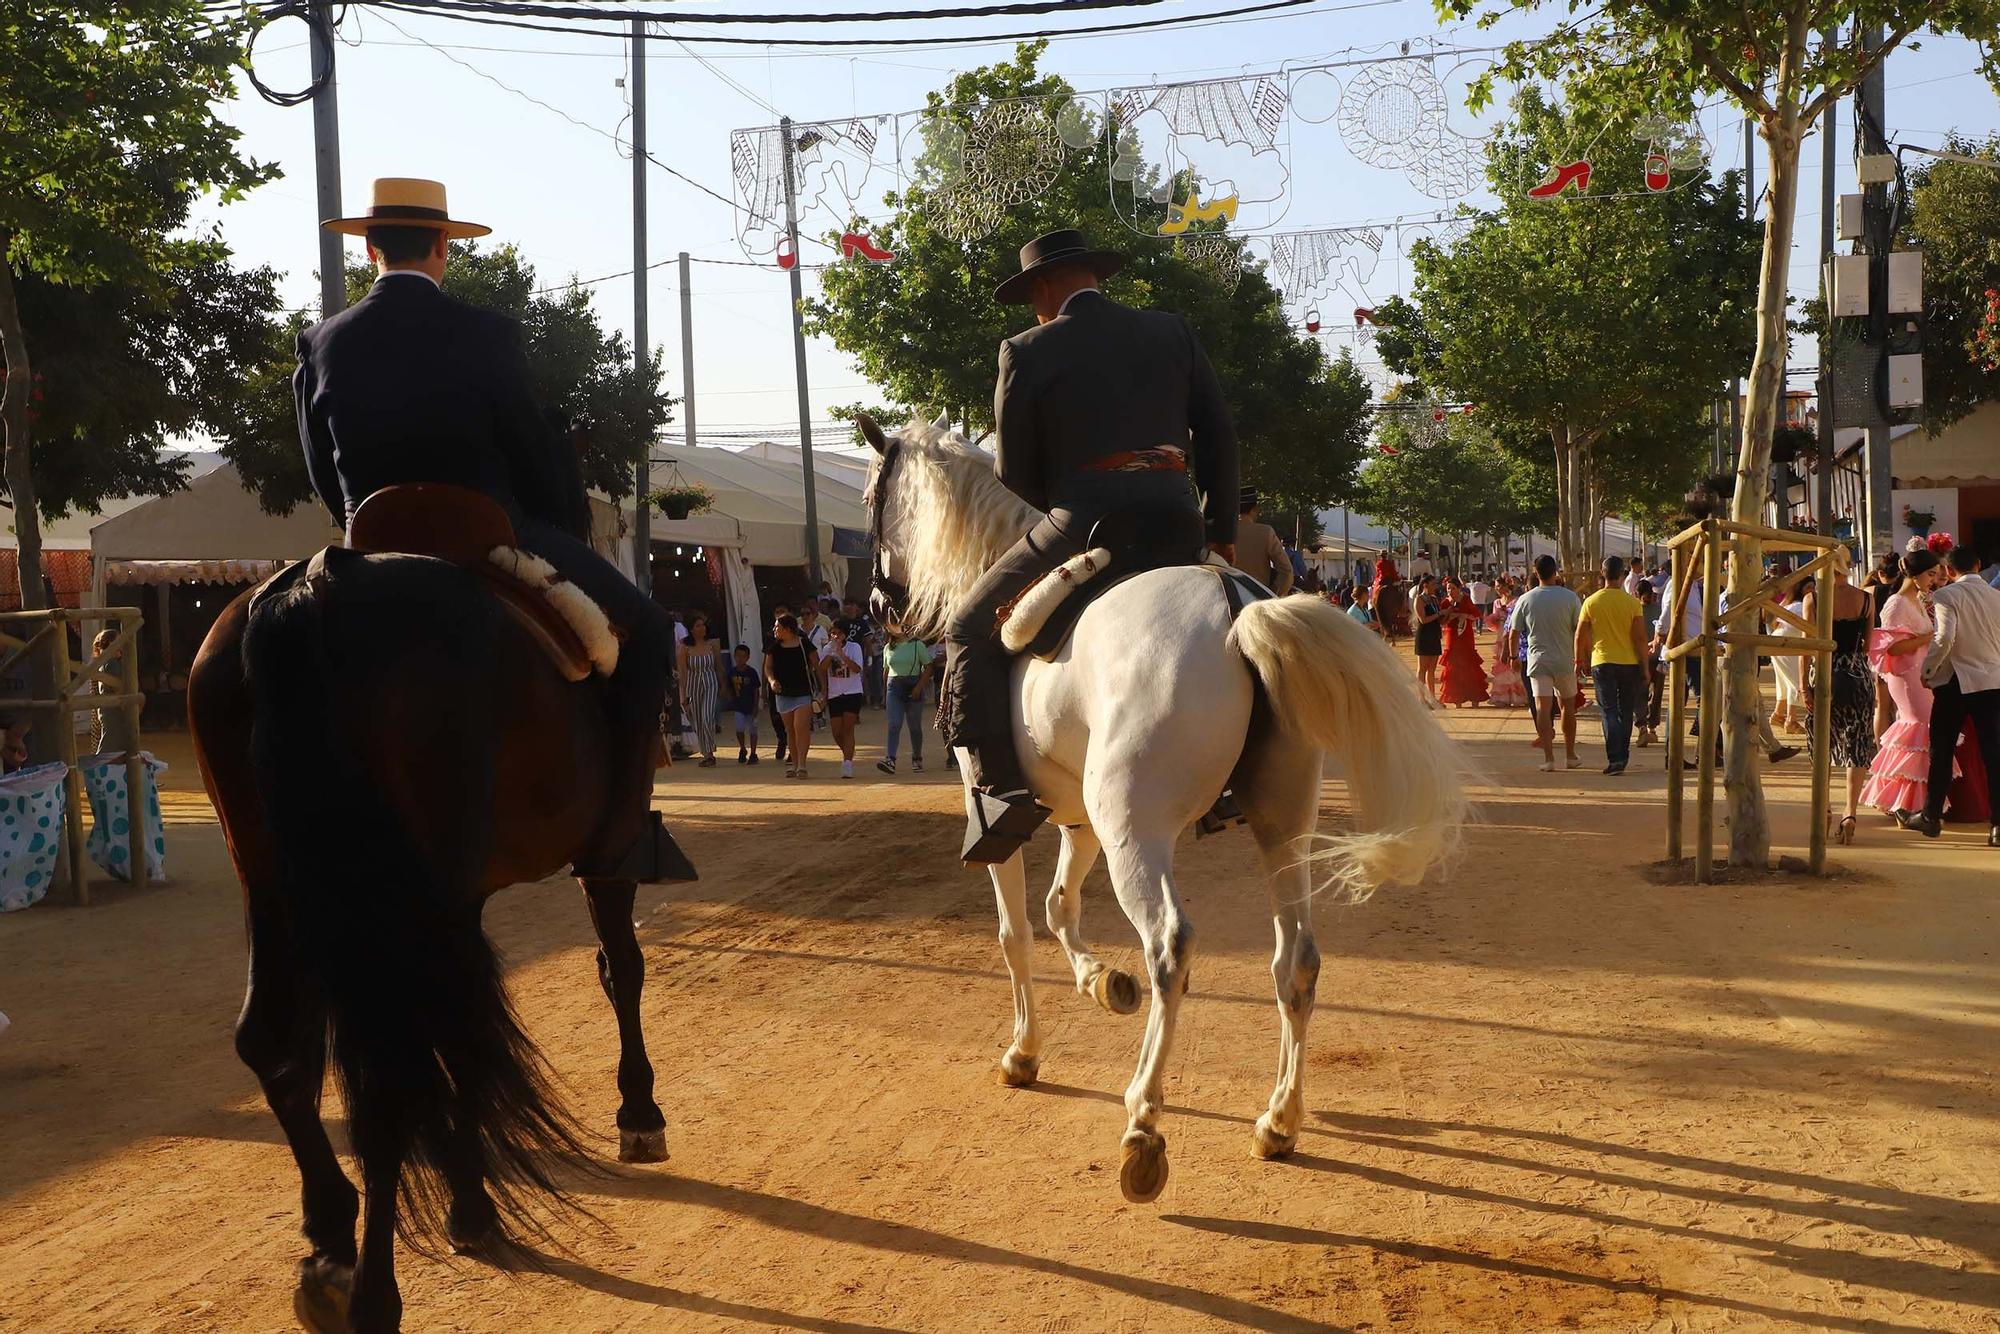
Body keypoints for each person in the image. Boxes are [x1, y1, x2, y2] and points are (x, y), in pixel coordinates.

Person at [293, 177, 672, 876]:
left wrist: (360, 521)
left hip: (367, 536)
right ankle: (624, 834)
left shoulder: (321, 340)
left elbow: (319, 466)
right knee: (648, 631)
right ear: (442, 246)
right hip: (489, 531)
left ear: (369, 246)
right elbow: (529, 446)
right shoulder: (488, 334)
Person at [940, 227, 1237, 861]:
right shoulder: (1171, 331)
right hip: (1178, 521)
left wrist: (1074, 490)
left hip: (1087, 520)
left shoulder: (1025, 349)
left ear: (1044, 287)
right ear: (1094, 278)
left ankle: (998, 796)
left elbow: (1012, 471)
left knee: (966, 628)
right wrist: (1220, 533)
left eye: (1031, 298)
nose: (1033, 309)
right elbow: (1218, 436)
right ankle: (1235, 778)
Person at [1913, 545, 2000, 845]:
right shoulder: (1996, 597)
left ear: (1949, 571)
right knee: (1994, 755)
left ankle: (1931, 816)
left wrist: (1927, 672)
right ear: (1978, 565)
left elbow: (1944, 637)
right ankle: (1997, 826)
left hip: (1955, 682)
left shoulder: (1946, 596)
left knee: (1941, 751)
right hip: (1991, 682)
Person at [1861, 549, 1948, 829]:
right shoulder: (1897, 603)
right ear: (1915, 573)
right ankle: (1903, 803)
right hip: (1905, 674)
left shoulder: (1917, 601)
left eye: (1936, 574)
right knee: (1917, 729)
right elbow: (1893, 647)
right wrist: (1928, 637)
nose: (1934, 579)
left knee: (1920, 732)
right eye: (1930, 574)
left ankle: (1909, 802)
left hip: (1920, 673)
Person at [1803, 547, 1879, 841]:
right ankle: (1850, 813)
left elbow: (1807, 647)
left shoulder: (1814, 599)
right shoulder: (1867, 599)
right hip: (1858, 675)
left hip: (1824, 673)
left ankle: (1824, 811)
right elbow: (1867, 646)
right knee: (1857, 745)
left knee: (1821, 742)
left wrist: (1802, 686)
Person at [1575, 556, 1650, 775]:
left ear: (1602, 574)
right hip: (1629, 663)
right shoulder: (1632, 603)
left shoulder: (1591, 601)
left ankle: (1614, 757)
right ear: (1622, 575)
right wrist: (1645, 666)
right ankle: (1622, 756)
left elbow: (1580, 634)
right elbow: (1640, 638)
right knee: (1626, 710)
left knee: (1608, 711)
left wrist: (1579, 660)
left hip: (1602, 662)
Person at [1514, 555, 1583, 772]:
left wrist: (1513, 656)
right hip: (1564, 660)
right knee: (1567, 707)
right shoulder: (1570, 598)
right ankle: (1570, 755)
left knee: (1542, 707)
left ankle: (1549, 758)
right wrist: (1582, 657)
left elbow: (1513, 632)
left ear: (1536, 573)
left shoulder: (1525, 599)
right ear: (1556, 571)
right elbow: (1579, 630)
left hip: (1537, 661)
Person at [765, 614, 819, 779]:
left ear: (787, 629)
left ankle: (802, 764)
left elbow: (816, 663)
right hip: (783, 693)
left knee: (800, 726)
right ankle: (795, 764)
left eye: (777, 627)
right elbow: (768, 667)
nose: (774, 630)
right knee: (790, 730)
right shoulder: (773, 647)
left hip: (803, 691)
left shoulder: (804, 643)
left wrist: (822, 688)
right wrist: (772, 681)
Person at [878, 624, 933, 775]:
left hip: (913, 684)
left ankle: (917, 757)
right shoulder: (888, 647)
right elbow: (886, 670)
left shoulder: (917, 645)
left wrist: (919, 687)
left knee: (914, 725)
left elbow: (928, 666)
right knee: (894, 724)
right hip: (894, 686)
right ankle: (890, 759)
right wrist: (884, 693)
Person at [818, 620, 865, 779]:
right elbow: (822, 669)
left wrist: (842, 655)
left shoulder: (855, 647)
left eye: (838, 633)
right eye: (833, 633)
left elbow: (857, 669)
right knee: (836, 731)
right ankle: (848, 750)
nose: (835, 636)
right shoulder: (827, 649)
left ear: (844, 635)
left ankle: (847, 763)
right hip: (834, 694)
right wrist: (831, 654)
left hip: (852, 692)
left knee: (848, 728)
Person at [677, 612, 723, 767]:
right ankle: (707, 753)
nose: (702, 628)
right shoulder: (684, 647)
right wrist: (683, 696)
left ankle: (710, 748)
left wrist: (725, 686)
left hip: (710, 682)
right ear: (691, 629)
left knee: (706, 717)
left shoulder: (712, 644)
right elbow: (683, 674)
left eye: (703, 625)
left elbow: (718, 667)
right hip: (693, 684)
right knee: (697, 720)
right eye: (698, 626)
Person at [1437, 577, 1488, 707]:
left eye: (1453, 588)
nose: (1450, 591)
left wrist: (1464, 615)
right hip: (1452, 636)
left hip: (1466, 635)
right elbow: (1441, 622)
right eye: (1448, 588)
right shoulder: (1445, 603)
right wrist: (1450, 616)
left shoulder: (1465, 599)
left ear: (1458, 588)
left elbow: (1476, 615)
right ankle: (1456, 699)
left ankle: (1474, 697)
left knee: (1469, 664)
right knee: (1453, 665)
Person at [1232, 488, 1294, 594]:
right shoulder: (1266, 532)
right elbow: (1286, 571)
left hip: (1226, 595)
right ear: (1254, 509)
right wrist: (1274, 594)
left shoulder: (1219, 532)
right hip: (1258, 599)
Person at [723, 644, 762, 765]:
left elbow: (756, 689)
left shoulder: (751, 672)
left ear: (748, 657)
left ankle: (753, 753)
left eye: (743, 656)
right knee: (739, 729)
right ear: (734, 656)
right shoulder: (731, 672)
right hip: (738, 705)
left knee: (752, 730)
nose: (740, 659)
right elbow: (727, 685)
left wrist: (756, 706)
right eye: (738, 656)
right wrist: (729, 697)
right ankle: (742, 748)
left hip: (750, 705)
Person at [1411, 574, 1445, 708]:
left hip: (1434, 635)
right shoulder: (1419, 600)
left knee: (1432, 669)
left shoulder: (1434, 599)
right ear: (1425, 585)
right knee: (1422, 669)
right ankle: (1421, 698)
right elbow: (1423, 619)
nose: (1435, 587)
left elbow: (1439, 618)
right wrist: (1439, 614)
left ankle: (1432, 698)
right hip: (1424, 636)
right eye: (1432, 584)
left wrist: (1447, 613)